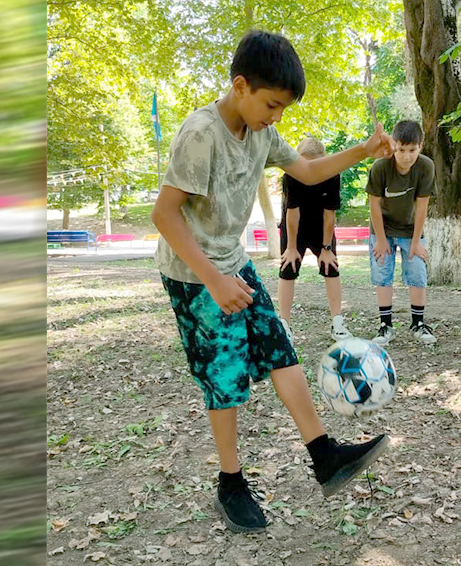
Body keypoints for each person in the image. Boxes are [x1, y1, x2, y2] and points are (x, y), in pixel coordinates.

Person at [151, 30, 394, 533]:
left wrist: (363, 149)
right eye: (272, 104)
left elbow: (305, 170)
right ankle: (230, 481)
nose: (276, 115)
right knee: (225, 377)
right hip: (195, 274)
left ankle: (323, 455)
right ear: (240, 86)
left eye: (283, 108)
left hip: (232, 262)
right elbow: (165, 215)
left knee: (280, 348)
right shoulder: (201, 134)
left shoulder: (260, 132)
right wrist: (214, 280)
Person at [366, 120, 436, 345]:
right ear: (394, 145)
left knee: (417, 273)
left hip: (410, 229)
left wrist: (416, 242)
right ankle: (385, 325)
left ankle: (418, 323)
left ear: (420, 147)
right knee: (382, 273)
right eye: (402, 149)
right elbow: (374, 205)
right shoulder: (380, 167)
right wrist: (381, 240)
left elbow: (422, 206)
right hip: (382, 229)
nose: (407, 156)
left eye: (412, 150)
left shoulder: (425, 167)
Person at [277, 137, 352, 344]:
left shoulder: (332, 175)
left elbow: (330, 215)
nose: (310, 169)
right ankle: (284, 324)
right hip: (294, 228)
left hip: (321, 227)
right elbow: (292, 213)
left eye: (315, 163)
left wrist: (326, 248)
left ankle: (337, 323)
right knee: (287, 269)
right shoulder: (291, 175)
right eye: (305, 163)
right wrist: (291, 247)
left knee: (331, 267)